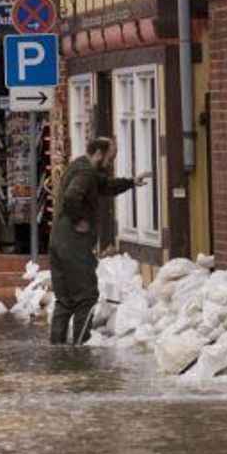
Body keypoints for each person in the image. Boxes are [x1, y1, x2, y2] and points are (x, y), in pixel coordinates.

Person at [49, 137, 150, 345]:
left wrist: (131, 182)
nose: (111, 162)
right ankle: (80, 347)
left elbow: (105, 186)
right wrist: (79, 221)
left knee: (65, 300)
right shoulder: (85, 173)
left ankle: (57, 348)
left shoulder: (78, 166)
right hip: (74, 245)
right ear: (99, 153)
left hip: (57, 241)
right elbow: (72, 197)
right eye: (110, 157)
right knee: (86, 297)